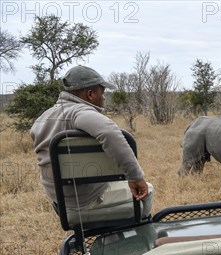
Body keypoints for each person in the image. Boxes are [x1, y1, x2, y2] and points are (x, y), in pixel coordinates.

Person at [31, 65, 153, 223]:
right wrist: (135, 176)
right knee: (148, 190)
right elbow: (109, 132)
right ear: (90, 94)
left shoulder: (43, 117)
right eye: (102, 93)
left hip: (59, 202)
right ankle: (141, 235)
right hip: (86, 201)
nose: (103, 98)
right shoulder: (79, 112)